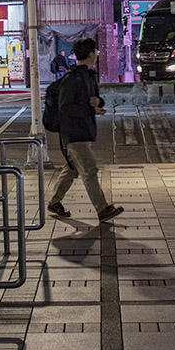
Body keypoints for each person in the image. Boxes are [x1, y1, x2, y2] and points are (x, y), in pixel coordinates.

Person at [47, 37, 124, 222]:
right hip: (74, 132)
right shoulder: (72, 78)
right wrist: (90, 109)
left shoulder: (88, 75)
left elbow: (95, 98)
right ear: (91, 55)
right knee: (89, 171)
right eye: (95, 52)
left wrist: (98, 103)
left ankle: (54, 202)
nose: (96, 55)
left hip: (83, 130)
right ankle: (102, 209)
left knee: (72, 169)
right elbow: (65, 106)